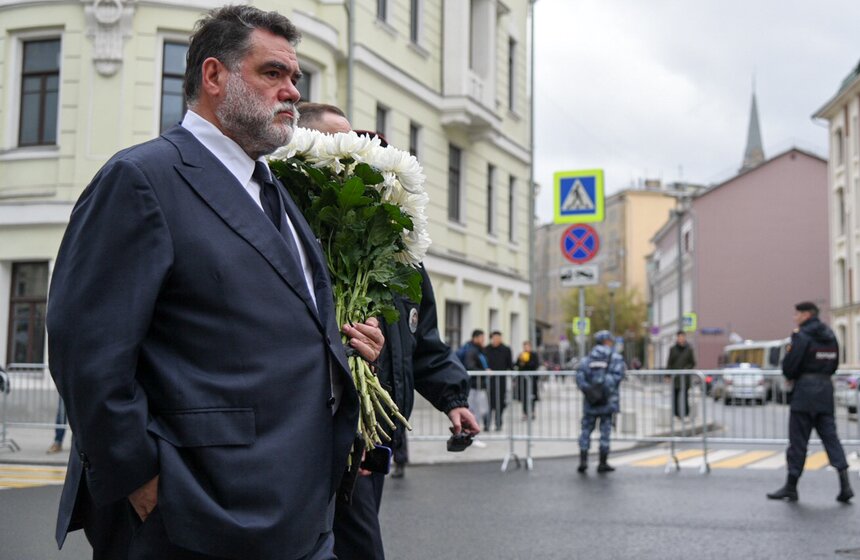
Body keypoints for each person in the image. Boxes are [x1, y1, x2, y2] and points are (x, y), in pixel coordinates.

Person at [46, 6, 386, 560]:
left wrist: (345, 354)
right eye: (272, 73)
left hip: (299, 510)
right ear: (214, 76)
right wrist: (144, 483)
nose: (292, 92)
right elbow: (86, 351)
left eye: (295, 78)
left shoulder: (273, 189)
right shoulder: (143, 179)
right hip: (196, 514)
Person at [297, 113, 480, 560]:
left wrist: (453, 399)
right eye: (351, 150)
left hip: (377, 441)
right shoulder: (310, 237)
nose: (368, 168)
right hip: (331, 439)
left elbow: (425, 343)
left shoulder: (399, 253)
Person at [767, 302, 853, 503]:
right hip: (824, 392)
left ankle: (791, 487)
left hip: (804, 393)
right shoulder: (830, 335)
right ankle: (845, 485)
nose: (794, 317)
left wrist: (791, 374)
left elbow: (791, 364)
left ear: (806, 315)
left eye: (797, 314)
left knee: (798, 442)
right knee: (831, 439)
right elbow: (834, 363)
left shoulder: (802, 335)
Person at [576, 330, 626, 474]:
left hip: (590, 402)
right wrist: (603, 389)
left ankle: (583, 460)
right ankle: (602, 462)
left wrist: (591, 390)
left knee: (586, 430)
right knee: (605, 431)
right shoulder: (615, 357)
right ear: (607, 341)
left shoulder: (587, 358)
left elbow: (580, 377)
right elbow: (617, 376)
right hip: (608, 402)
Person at [484, 331, 513, 431]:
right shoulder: (486, 349)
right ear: (492, 338)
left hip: (501, 381)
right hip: (489, 380)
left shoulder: (506, 349)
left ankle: (498, 423)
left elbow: (510, 365)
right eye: (494, 338)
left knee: (500, 403)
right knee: (488, 403)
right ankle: (486, 424)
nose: (496, 340)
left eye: (498, 338)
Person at [462, 330, 491, 428]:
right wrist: (484, 371)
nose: (483, 340)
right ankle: (472, 429)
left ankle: (475, 427)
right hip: (474, 384)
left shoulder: (479, 350)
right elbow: (470, 366)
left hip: (479, 384)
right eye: (482, 338)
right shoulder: (472, 350)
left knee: (481, 408)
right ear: (475, 338)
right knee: (475, 408)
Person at [666, 331, 696, 417]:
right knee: (675, 395)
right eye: (679, 337)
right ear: (677, 338)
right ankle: (676, 414)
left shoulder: (689, 349)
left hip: (685, 377)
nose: (681, 338)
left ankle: (686, 413)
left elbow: (693, 362)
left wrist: (686, 369)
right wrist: (667, 375)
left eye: (682, 337)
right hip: (676, 377)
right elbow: (669, 363)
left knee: (685, 395)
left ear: (685, 337)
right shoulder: (673, 349)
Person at [515, 341, 540, 419]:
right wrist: (521, 361)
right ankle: (525, 412)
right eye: (524, 347)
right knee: (524, 396)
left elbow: (535, 365)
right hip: (523, 380)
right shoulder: (521, 355)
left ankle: (532, 412)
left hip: (532, 380)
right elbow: (517, 365)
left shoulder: (534, 355)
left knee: (532, 396)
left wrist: (526, 362)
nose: (526, 348)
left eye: (527, 346)